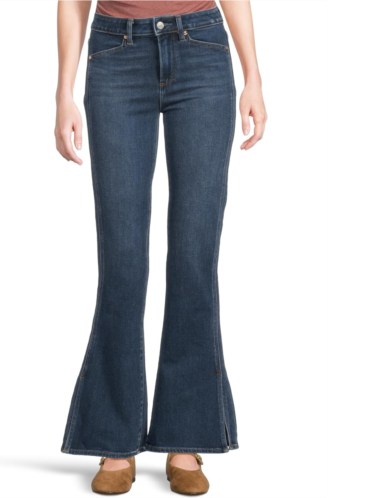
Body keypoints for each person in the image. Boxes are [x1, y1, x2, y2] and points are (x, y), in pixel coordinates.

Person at [55, 0, 267, 494]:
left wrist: (253, 75)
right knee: (122, 262)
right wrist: (63, 91)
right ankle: (114, 438)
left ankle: (187, 436)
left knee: (194, 258)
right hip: (115, 54)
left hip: (202, 50)